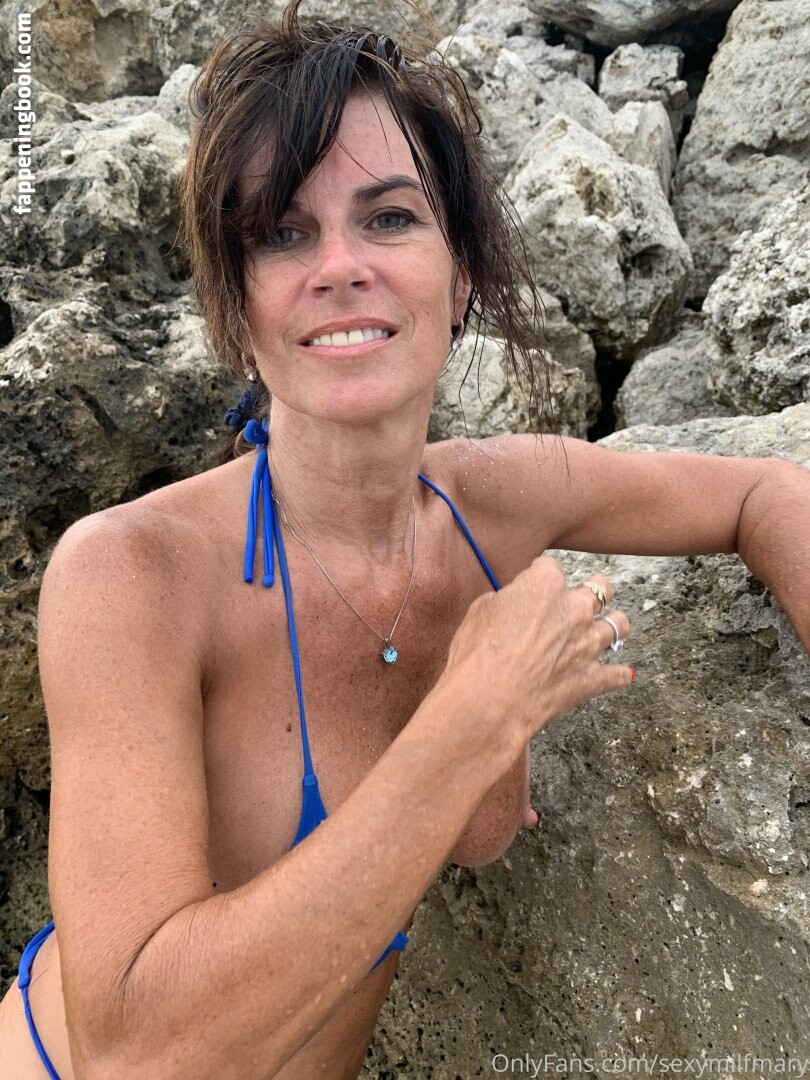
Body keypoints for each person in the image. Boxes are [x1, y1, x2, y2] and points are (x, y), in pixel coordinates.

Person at [2, 2, 808, 1078]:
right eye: (283, 233)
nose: (340, 265)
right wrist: (473, 718)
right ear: (236, 311)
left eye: (388, 217)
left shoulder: (499, 500)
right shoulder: (132, 576)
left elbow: (763, 492)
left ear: (462, 273)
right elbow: (135, 1055)